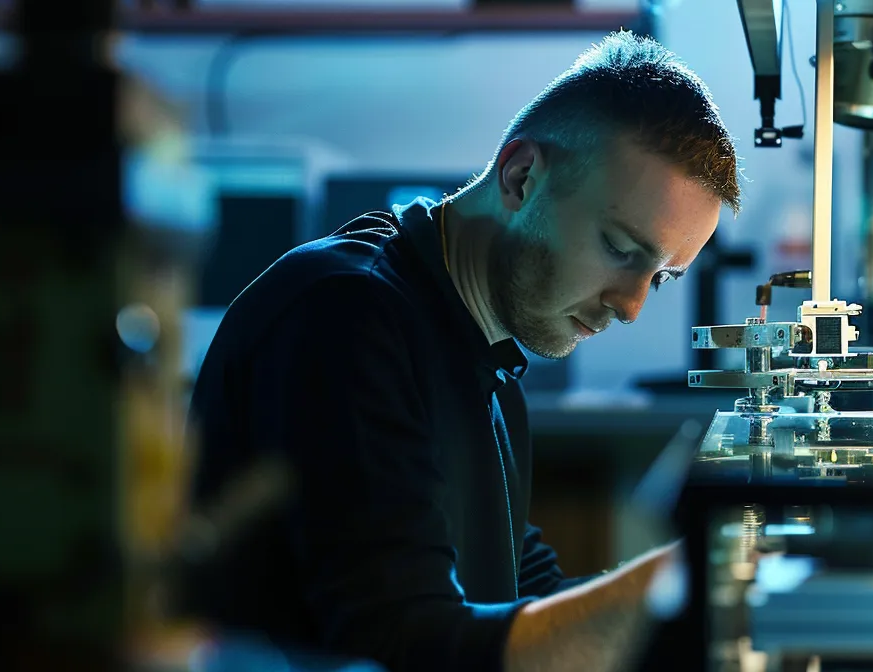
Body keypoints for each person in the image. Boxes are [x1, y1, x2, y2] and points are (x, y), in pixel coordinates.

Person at [184, 31, 739, 672]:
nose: (632, 304)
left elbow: (520, 592)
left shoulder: (487, 352)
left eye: (661, 277)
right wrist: (681, 577)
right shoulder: (345, 317)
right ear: (521, 176)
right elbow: (397, 648)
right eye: (620, 248)